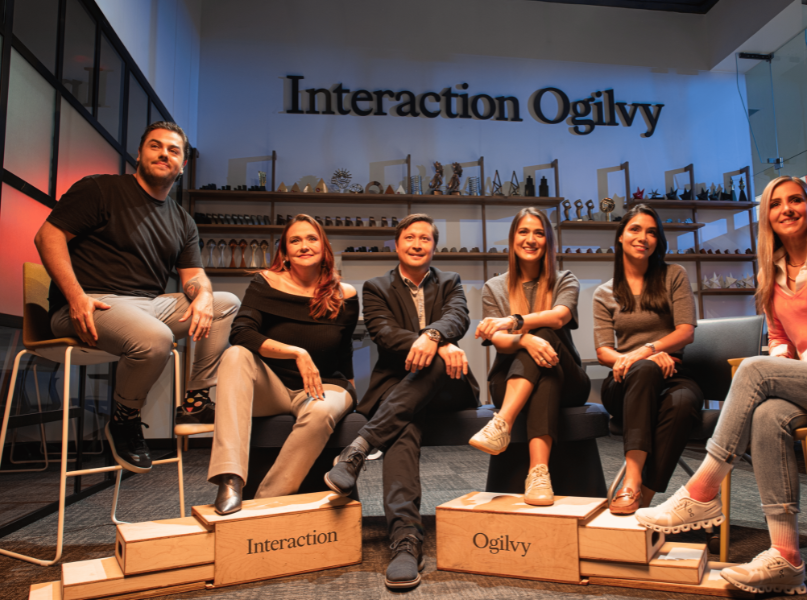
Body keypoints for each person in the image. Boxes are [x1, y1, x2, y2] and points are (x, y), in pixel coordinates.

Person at [635, 176, 807, 595]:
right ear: (767, 217)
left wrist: (798, 367)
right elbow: (780, 339)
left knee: (756, 370)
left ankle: (702, 491)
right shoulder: (771, 273)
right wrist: (785, 363)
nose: (787, 209)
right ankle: (786, 556)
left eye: (795, 200)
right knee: (768, 414)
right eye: (776, 204)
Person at [34, 122, 240, 474]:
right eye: (155, 146)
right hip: (90, 304)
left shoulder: (182, 221)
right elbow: (47, 237)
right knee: (156, 338)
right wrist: (76, 296)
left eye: (173, 150)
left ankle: (195, 402)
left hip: (146, 306)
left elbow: (193, 275)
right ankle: (124, 418)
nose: (164, 154)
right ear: (140, 154)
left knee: (225, 302)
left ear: (182, 165)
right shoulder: (100, 189)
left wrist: (203, 294)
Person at [324, 214, 479, 590]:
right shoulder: (376, 287)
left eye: (425, 238)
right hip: (398, 387)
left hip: (449, 386)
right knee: (403, 424)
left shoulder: (450, 281)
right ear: (397, 245)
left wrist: (434, 336)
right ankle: (405, 540)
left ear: (434, 247)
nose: (417, 244)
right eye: (410, 237)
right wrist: (436, 343)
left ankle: (359, 448)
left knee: (435, 365)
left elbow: (458, 316)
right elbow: (383, 333)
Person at [206, 215, 358, 514]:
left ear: (324, 247)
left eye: (312, 238)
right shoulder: (265, 282)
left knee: (322, 411)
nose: (304, 246)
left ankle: (266, 502)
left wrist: (352, 398)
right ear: (285, 252)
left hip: (323, 385)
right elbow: (241, 332)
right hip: (272, 387)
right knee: (235, 354)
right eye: (295, 241)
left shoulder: (346, 294)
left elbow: (345, 350)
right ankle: (230, 478)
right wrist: (296, 353)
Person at [469, 208, 590, 506]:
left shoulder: (565, 279)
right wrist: (525, 339)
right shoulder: (494, 287)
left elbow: (559, 317)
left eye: (539, 233)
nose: (531, 239)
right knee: (539, 358)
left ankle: (502, 424)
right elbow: (498, 342)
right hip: (508, 379)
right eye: (523, 232)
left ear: (548, 241)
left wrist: (515, 322)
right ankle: (538, 473)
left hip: (568, 378)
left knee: (546, 332)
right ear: (513, 239)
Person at [592, 204, 701, 514]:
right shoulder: (604, 293)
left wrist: (649, 350)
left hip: (673, 374)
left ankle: (644, 500)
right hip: (623, 381)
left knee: (684, 404)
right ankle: (632, 479)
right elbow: (603, 351)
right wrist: (638, 359)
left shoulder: (674, 275)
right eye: (635, 229)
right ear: (620, 237)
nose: (643, 237)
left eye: (652, 232)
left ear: (658, 240)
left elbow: (686, 332)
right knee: (643, 370)